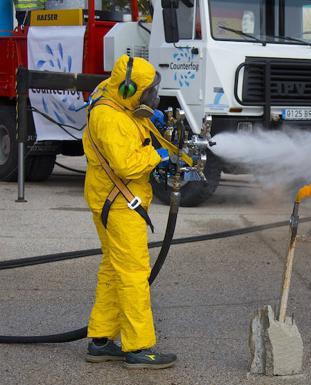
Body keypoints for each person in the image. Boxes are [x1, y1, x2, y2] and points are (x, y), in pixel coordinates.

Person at [82, 54, 177, 370]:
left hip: (113, 201)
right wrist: (157, 154)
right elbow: (126, 164)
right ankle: (138, 347)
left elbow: (128, 112)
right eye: (148, 92)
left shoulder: (113, 96)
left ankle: (101, 340)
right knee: (134, 273)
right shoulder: (110, 119)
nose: (153, 97)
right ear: (129, 91)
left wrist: (150, 119)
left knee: (114, 267)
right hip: (120, 203)